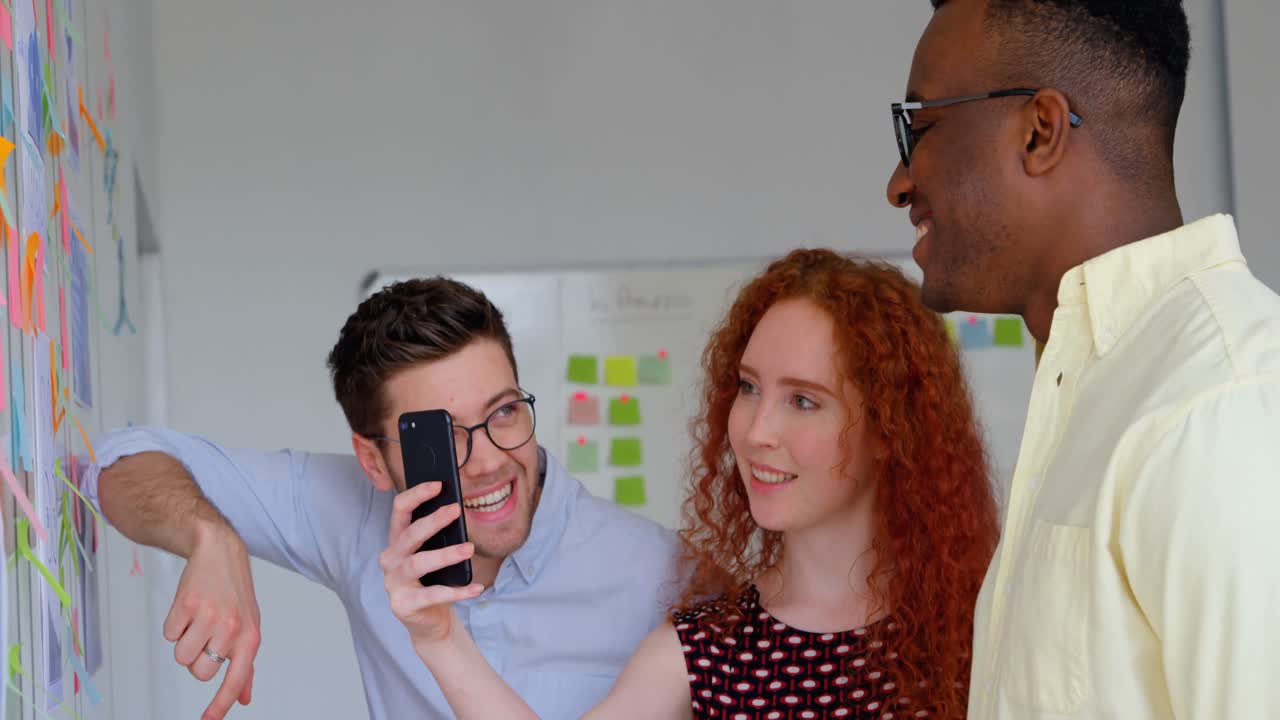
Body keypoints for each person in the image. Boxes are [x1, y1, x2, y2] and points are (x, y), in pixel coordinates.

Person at [382, 248, 1001, 718]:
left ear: (891, 428)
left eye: (804, 402)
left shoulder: (990, 623)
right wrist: (438, 638)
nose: (756, 430)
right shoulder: (703, 653)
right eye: (749, 388)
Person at [886, 1, 1280, 717]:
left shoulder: (1218, 400)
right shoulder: (1098, 389)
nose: (899, 182)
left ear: (1039, 132)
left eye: (919, 126)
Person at [83, 278, 678, 720]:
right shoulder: (352, 515)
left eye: (504, 412)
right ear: (374, 460)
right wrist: (210, 538)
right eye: (441, 440)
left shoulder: (668, 577)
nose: (491, 459)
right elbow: (117, 463)